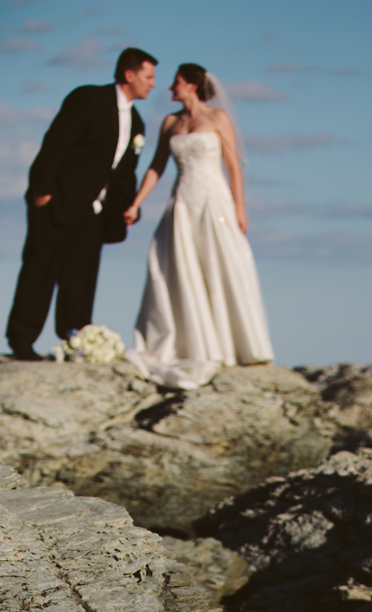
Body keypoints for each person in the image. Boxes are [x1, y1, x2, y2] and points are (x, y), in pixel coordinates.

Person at [124, 63, 274, 389]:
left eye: (176, 82)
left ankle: (235, 343)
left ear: (191, 85)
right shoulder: (170, 123)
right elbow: (156, 167)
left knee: (222, 266)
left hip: (213, 201)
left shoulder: (218, 118)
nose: (169, 88)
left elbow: (233, 165)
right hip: (182, 203)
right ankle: (190, 343)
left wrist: (239, 207)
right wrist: (137, 202)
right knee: (178, 269)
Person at [6, 47, 157, 360]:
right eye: (149, 76)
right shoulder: (89, 99)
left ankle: (76, 338)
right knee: (41, 268)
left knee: (81, 275)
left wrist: (128, 207)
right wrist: (43, 191)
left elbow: (124, 174)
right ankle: (22, 339)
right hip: (58, 201)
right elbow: (56, 142)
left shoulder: (138, 122)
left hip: (94, 212)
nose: (153, 84)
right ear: (129, 75)